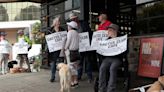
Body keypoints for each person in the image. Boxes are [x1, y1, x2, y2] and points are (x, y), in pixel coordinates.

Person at [68, 12, 93, 82]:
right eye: (72, 19)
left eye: (74, 18)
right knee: (80, 62)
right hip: (78, 47)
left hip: (86, 46)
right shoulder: (72, 26)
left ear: (77, 17)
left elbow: (90, 32)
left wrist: (85, 37)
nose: (73, 20)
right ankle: (79, 76)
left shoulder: (84, 23)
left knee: (88, 61)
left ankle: (89, 77)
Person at [99, 24, 121, 92]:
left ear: (115, 31)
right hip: (108, 58)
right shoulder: (107, 40)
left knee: (112, 68)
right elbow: (103, 49)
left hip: (117, 58)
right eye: (108, 30)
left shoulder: (121, 39)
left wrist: (114, 38)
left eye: (110, 30)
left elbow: (124, 51)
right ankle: (101, 89)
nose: (108, 31)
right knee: (102, 68)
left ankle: (110, 89)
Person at [47, 16, 64, 82]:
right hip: (53, 50)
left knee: (61, 63)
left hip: (60, 50)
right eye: (58, 21)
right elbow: (48, 40)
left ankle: (62, 76)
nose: (59, 23)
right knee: (53, 63)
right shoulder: (50, 30)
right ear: (55, 23)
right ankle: (52, 77)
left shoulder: (62, 29)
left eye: (59, 21)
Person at [65, 21, 80, 87]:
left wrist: (65, 48)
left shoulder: (70, 32)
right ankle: (76, 81)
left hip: (71, 52)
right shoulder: (77, 33)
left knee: (70, 67)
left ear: (71, 27)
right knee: (75, 67)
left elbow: (68, 41)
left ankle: (72, 82)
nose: (68, 27)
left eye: (68, 26)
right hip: (76, 52)